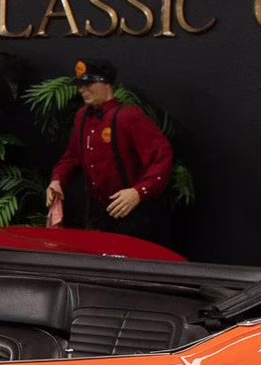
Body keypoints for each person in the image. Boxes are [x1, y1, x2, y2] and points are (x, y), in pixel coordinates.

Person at [44, 60, 174, 247]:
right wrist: (58, 179)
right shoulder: (82, 116)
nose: (82, 90)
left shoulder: (129, 117)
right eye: (81, 85)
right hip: (97, 213)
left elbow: (162, 156)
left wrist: (139, 192)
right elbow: (73, 156)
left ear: (106, 83)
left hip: (131, 212)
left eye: (88, 84)